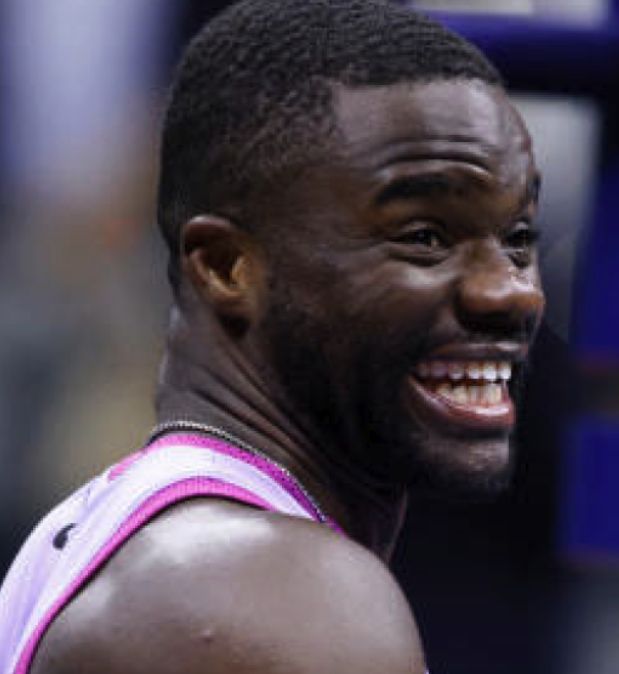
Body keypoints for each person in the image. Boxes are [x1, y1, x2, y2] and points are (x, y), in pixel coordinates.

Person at [0, 0, 544, 671]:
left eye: (518, 238)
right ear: (227, 267)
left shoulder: (130, 535)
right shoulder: (273, 597)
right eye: (425, 238)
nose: (513, 291)